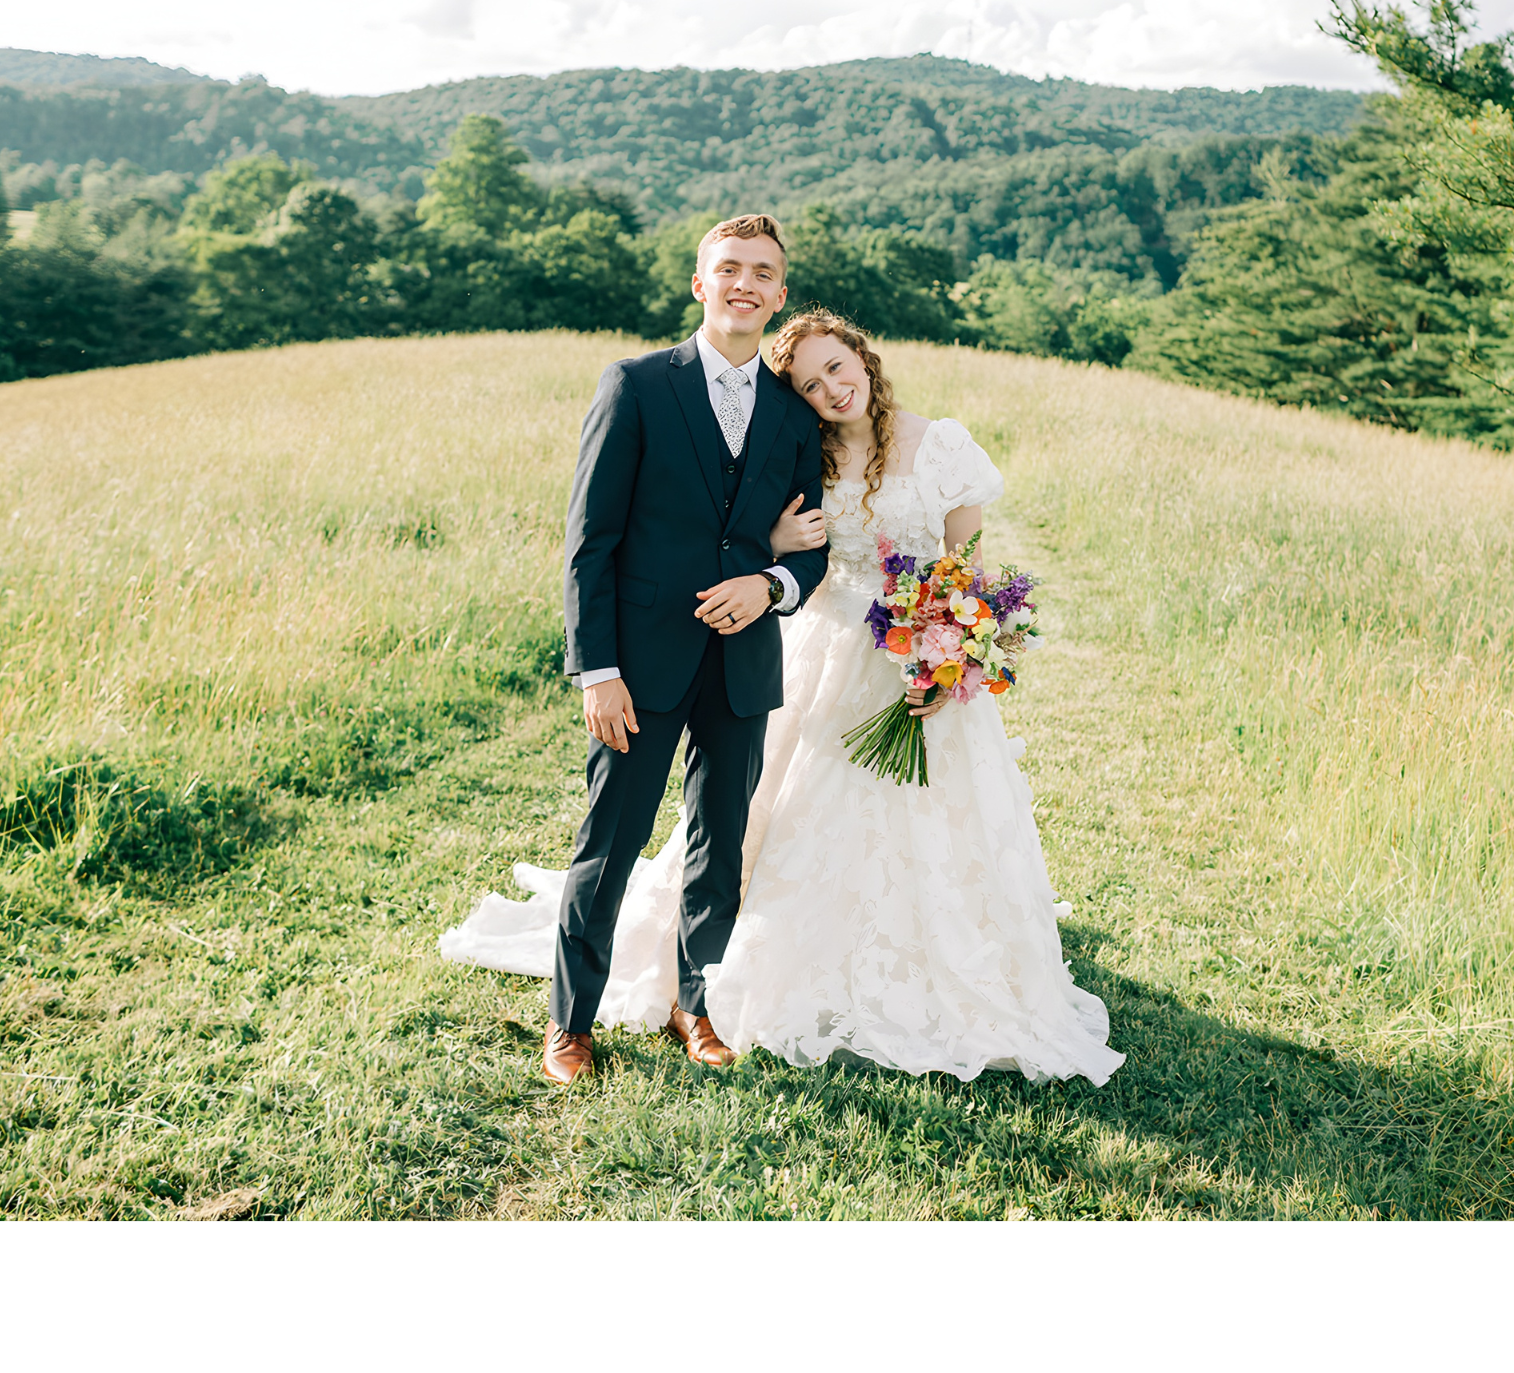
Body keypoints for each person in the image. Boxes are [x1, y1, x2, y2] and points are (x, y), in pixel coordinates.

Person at [441, 302, 1120, 1088]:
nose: (831, 388)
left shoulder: (943, 446)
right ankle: (614, 1003)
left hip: (915, 664)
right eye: (809, 381)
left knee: (912, 832)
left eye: (838, 367)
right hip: (818, 656)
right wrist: (770, 552)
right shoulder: (803, 454)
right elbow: (721, 531)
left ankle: (915, 969)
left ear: (862, 359)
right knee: (755, 821)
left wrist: (944, 658)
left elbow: (961, 573)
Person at [439, 213, 829, 1086]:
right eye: (729, 269)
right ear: (701, 285)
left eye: (763, 273)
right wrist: (599, 670)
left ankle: (700, 1008)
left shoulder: (794, 416)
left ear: (778, 294)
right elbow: (590, 543)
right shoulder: (637, 385)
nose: (745, 284)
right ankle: (570, 1022)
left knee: (720, 845)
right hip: (638, 666)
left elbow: (811, 545)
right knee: (608, 843)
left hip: (742, 668)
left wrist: (768, 586)